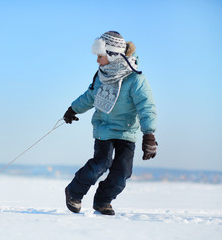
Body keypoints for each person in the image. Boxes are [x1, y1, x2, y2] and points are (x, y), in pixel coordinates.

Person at [63, 31, 157, 215]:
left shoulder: (135, 80)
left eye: (100, 56)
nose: (97, 61)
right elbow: (91, 96)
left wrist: (149, 135)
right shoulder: (101, 76)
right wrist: (73, 109)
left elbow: (146, 107)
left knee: (122, 174)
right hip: (104, 129)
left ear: (113, 54)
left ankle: (103, 201)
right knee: (100, 164)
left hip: (126, 132)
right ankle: (73, 192)